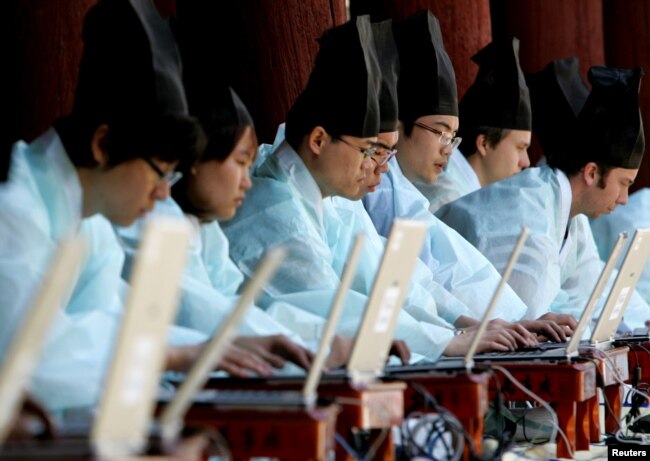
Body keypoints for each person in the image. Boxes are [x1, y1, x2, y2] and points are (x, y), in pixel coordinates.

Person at [0, 0, 269, 415]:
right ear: (103, 145)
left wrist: (212, 347)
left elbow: (113, 320)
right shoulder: (13, 206)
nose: (165, 194)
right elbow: (32, 358)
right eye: (159, 173)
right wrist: (174, 356)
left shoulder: (90, 220)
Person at [223, 15, 533, 361]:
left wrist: (455, 328)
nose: (379, 167)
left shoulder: (331, 200)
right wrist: (442, 340)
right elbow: (330, 307)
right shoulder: (274, 208)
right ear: (319, 139)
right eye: (370, 151)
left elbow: (385, 278)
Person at [358, 11, 572, 338]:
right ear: (399, 129)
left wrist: (507, 317)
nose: (449, 149)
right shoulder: (385, 185)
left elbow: (441, 267)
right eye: (441, 133)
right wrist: (461, 333)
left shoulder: (399, 187)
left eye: (453, 137)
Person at [436, 65, 648, 328]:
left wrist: (640, 322)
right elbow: (529, 315)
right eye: (624, 183)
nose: (624, 198)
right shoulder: (527, 208)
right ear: (592, 173)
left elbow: (592, 286)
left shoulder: (571, 211)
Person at [416, 38, 532, 213]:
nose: (526, 162)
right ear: (484, 144)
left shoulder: (474, 196)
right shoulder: (448, 200)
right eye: (519, 147)